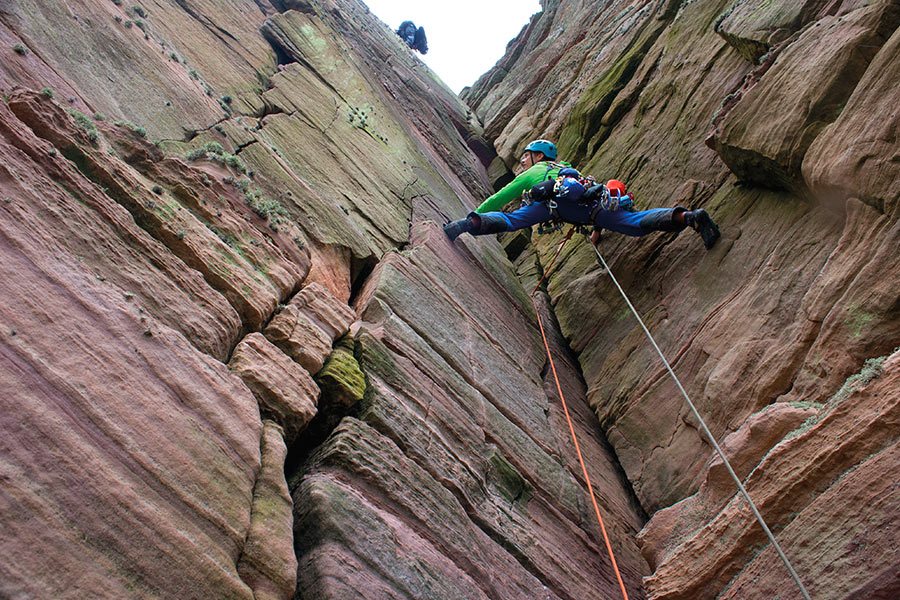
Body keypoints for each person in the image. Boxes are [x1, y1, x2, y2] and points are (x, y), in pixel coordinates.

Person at [443, 139, 720, 249]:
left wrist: (478, 210)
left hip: (550, 206)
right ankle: (690, 217)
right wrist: (597, 231)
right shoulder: (568, 169)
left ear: (538, 156)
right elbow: (584, 194)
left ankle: (468, 224)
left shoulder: (534, 172)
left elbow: (499, 199)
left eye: (526, 157)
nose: (523, 162)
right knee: (635, 225)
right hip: (591, 205)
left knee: (513, 220)